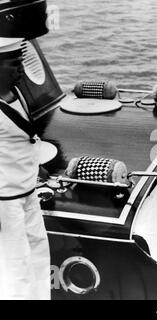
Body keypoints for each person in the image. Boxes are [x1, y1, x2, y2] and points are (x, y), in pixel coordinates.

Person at [0, 37, 50, 300]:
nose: (21, 68)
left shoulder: (16, 93)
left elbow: (23, 138)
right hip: (5, 205)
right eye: (14, 62)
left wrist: (35, 165)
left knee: (40, 262)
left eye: (21, 60)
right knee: (14, 274)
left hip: (29, 193)